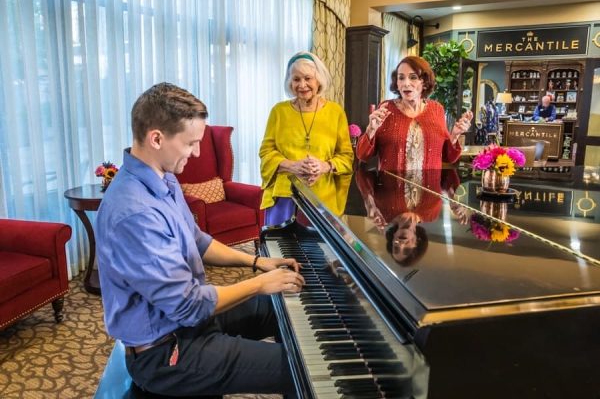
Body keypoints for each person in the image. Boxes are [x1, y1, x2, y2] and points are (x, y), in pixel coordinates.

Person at [95, 82, 305, 397]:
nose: (196, 153)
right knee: (298, 368)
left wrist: (257, 261)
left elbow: (197, 240)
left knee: (279, 307)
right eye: (191, 143)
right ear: (156, 138)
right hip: (165, 353)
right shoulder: (134, 213)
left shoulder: (164, 178)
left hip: (185, 325)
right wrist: (260, 283)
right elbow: (189, 305)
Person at [259, 51, 354, 225]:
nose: (302, 85)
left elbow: (346, 157)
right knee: (281, 250)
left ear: (319, 80)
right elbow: (266, 153)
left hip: (323, 198)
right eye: (296, 79)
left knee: (321, 251)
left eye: (307, 78)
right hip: (284, 195)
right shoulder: (279, 111)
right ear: (290, 82)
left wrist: (324, 166)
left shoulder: (335, 112)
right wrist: (293, 166)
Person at [356, 56, 473, 171]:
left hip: (429, 188)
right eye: (401, 78)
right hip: (391, 188)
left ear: (425, 83)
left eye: (413, 77)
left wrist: (455, 135)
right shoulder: (386, 109)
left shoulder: (437, 109)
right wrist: (371, 129)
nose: (406, 83)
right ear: (396, 83)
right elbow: (362, 155)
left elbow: (449, 158)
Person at [356, 167, 463, 266]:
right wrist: (452, 195)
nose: (401, 245)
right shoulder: (432, 215)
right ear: (418, 242)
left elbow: (362, 170)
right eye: (407, 250)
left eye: (396, 248)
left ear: (392, 240)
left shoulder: (383, 212)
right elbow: (446, 171)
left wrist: (368, 200)